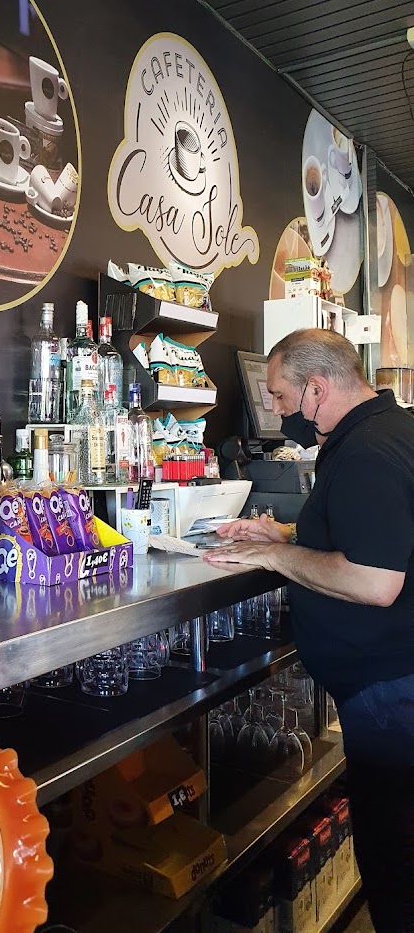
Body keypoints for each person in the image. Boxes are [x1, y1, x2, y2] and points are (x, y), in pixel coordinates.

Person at [205, 328, 414, 933]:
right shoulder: (388, 430)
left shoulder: (366, 453)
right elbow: (378, 536)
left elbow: (376, 581)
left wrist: (275, 557)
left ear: (316, 389)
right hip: (392, 686)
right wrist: (290, 535)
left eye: (279, 396)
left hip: (392, 694)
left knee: (398, 869)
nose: (276, 411)